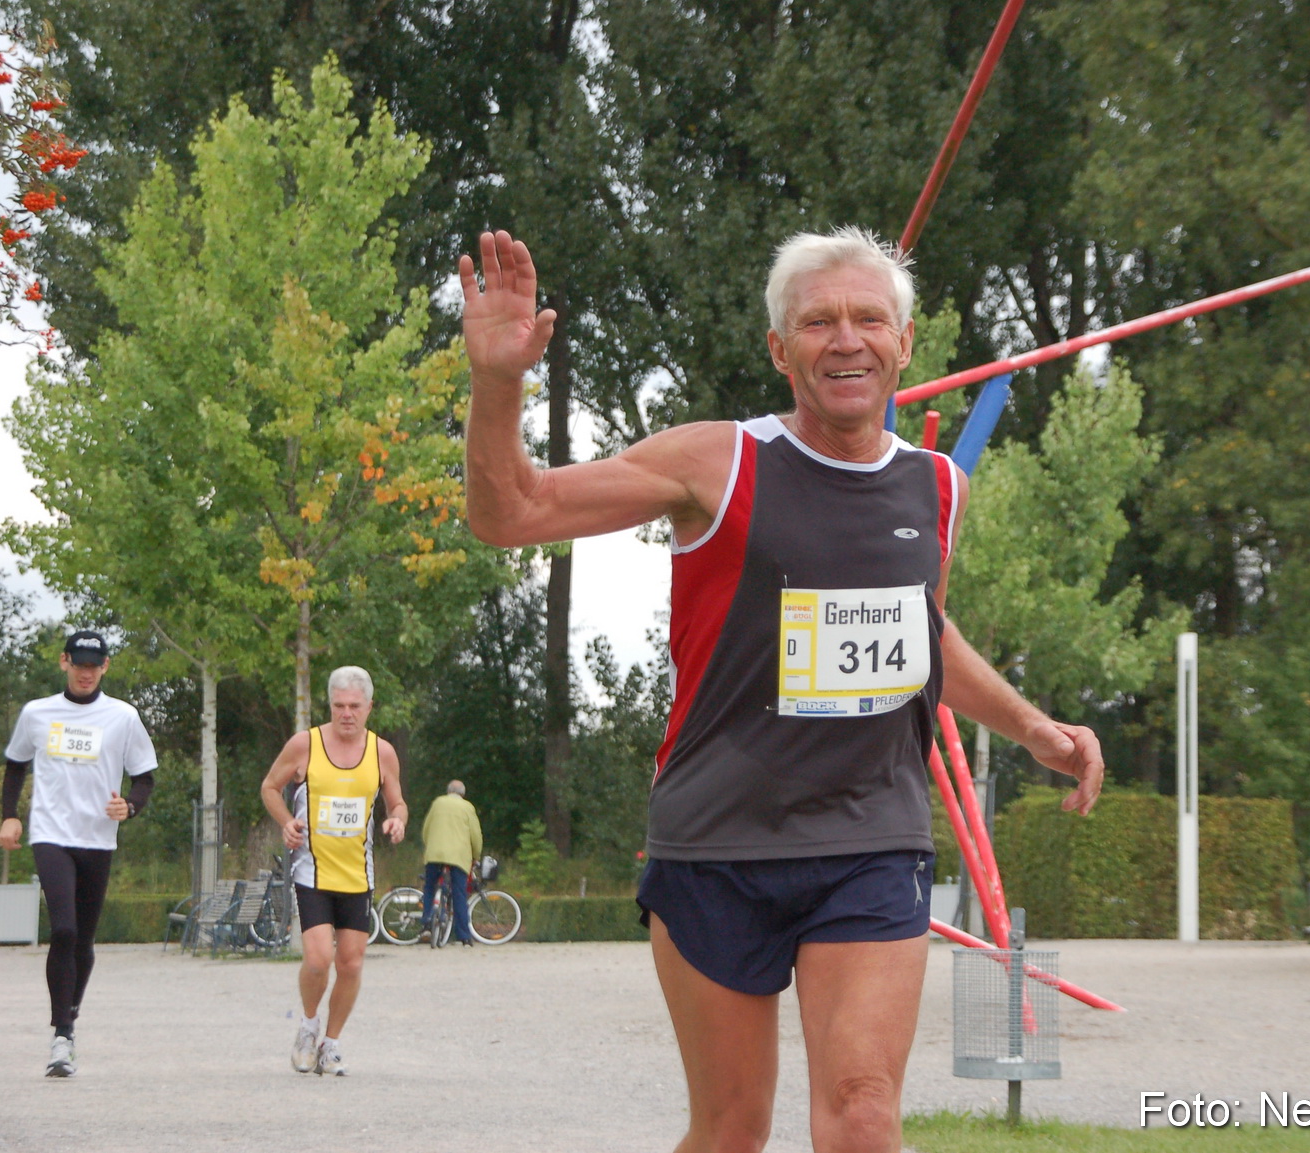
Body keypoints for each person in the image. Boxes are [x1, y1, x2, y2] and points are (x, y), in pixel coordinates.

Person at [458, 226, 1104, 1152]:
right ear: (779, 348)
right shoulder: (717, 464)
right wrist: (498, 379)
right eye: (818, 321)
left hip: (869, 839)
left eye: (868, 318)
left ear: (904, 341)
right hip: (715, 840)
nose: (846, 339)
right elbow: (508, 512)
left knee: (864, 1114)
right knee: (730, 1133)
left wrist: (1035, 727)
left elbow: (919, 631)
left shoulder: (936, 489)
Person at [0, 629, 159, 1078]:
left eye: (94, 666)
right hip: (51, 833)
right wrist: (10, 815)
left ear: (104, 667)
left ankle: (70, 1013)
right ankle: (62, 1034)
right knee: (63, 929)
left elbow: (144, 775)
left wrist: (130, 806)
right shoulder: (37, 713)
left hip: (98, 838)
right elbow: (15, 765)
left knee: (84, 939)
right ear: (64, 662)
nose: (86, 673)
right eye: (79, 664)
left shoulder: (123, 717)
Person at [259, 665, 406, 1076]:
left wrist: (397, 820)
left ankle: (331, 1043)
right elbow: (269, 786)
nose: (347, 714)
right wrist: (286, 821)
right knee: (320, 958)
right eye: (339, 705)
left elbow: (397, 802)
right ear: (330, 705)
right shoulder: (305, 745)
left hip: (358, 874)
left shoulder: (382, 752)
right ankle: (307, 1027)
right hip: (313, 872)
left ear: (369, 707)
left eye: (355, 706)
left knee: (352, 964)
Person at [419, 780, 483, 945]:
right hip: (458, 856)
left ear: (448, 792)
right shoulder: (467, 807)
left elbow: (426, 829)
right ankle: (464, 935)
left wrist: (429, 845)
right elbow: (476, 835)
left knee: (429, 887)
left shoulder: (437, 803)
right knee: (459, 893)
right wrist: (476, 855)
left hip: (435, 853)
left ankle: (426, 923)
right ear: (462, 794)